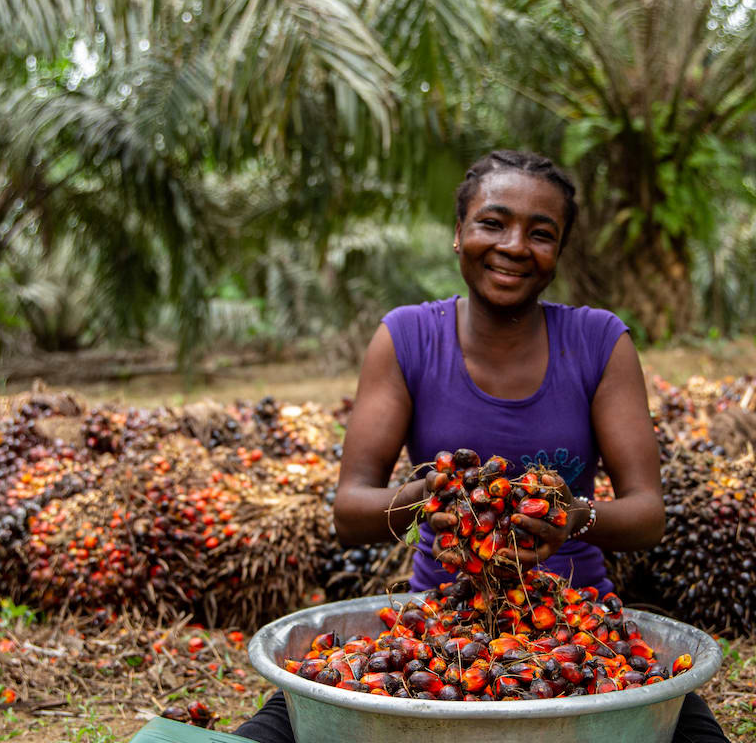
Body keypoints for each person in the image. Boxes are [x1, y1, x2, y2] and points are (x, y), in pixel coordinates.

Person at [235, 150, 729, 743]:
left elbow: (648, 513)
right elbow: (349, 511)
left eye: (541, 233)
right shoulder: (408, 336)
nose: (514, 246)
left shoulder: (599, 340)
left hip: (578, 627)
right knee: (279, 724)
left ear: (559, 251)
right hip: (438, 627)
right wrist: (426, 498)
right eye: (493, 223)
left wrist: (574, 517)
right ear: (458, 233)